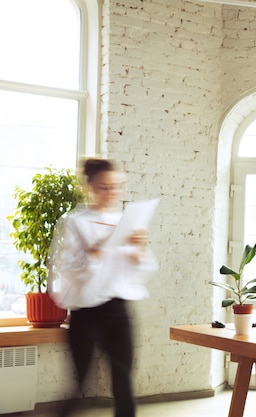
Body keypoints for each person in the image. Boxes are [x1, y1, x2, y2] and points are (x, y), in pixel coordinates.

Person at [50, 158, 158, 417]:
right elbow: (67, 269)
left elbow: (142, 271)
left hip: (119, 310)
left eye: (117, 186)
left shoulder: (128, 221)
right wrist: (98, 248)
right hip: (86, 312)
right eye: (104, 187)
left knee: (124, 382)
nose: (112, 193)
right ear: (89, 187)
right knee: (79, 385)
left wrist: (140, 250)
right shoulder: (74, 223)